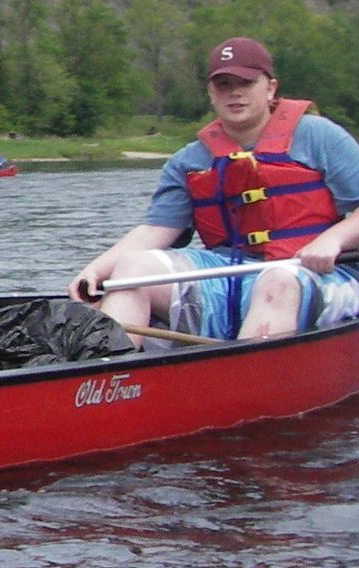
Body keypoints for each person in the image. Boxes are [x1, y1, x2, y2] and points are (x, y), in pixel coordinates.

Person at [69, 37, 359, 343]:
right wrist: (97, 270)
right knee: (132, 268)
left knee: (277, 281)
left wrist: (333, 239)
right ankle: (112, 378)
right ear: (211, 94)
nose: (234, 92)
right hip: (227, 277)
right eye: (223, 84)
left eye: (245, 83)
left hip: (319, 275)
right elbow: (156, 229)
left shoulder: (320, 136)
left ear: (270, 88)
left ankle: (248, 380)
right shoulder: (189, 160)